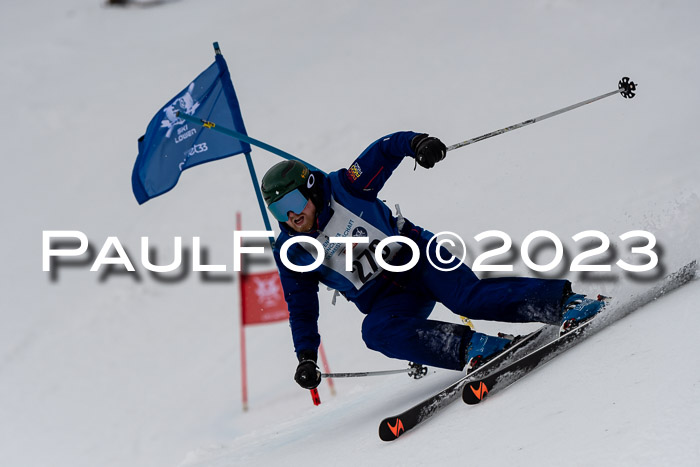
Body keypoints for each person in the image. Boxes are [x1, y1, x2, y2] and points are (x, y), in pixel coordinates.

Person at [260, 132, 604, 390]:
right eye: (278, 209)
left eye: (292, 201)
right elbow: (301, 306)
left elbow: (383, 150)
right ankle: (475, 347)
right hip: (387, 299)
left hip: (420, 258)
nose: (290, 215)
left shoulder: (345, 186)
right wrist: (306, 355)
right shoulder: (292, 251)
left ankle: (567, 303)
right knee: (375, 331)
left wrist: (417, 144)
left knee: (467, 298)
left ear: (310, 189)